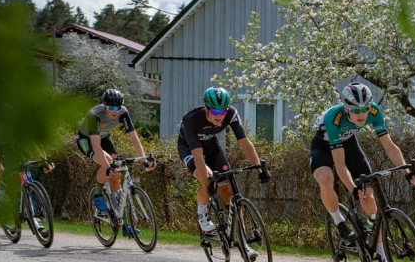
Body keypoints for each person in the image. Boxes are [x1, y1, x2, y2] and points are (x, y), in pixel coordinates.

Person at [311, 82, 415, 262]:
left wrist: (406, 172)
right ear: (346, 109)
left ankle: (382, 256)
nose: (362, 114)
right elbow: (340, 164)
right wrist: (353, 189)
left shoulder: (374, 111)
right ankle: (340, 223)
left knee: (369, 196)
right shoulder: (334, 118)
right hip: (324, 147)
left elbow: (389, 146)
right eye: (355, 110)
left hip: (350, 144)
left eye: (364, 109)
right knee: (326, 179)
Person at [177, 87, 270, 236]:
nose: (219, 115)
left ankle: (241, 235)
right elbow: (198, 155)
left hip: (211, 146)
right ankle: (202, 213)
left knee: (226, 186)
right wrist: (209, 185)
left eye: (223, 111)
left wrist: (260, 169)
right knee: (206, 178)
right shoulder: (191, 120)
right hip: (189, 149)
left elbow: (244, 142)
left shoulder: (231, 114)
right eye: (215, 112)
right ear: (206, 108)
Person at [76, 89, 154, 236]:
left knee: (116, 176)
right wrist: (106, 167)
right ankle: (98, 194)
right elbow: (96, 145)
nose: (114, 111)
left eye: (117, 108)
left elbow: (134, 138)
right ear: (105, 106)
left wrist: (143, 158)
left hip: (104, 137)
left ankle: (124, 224)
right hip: (87, 140)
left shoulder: (123, 112)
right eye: (111, 108)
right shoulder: (95, 114)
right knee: (109, 162)